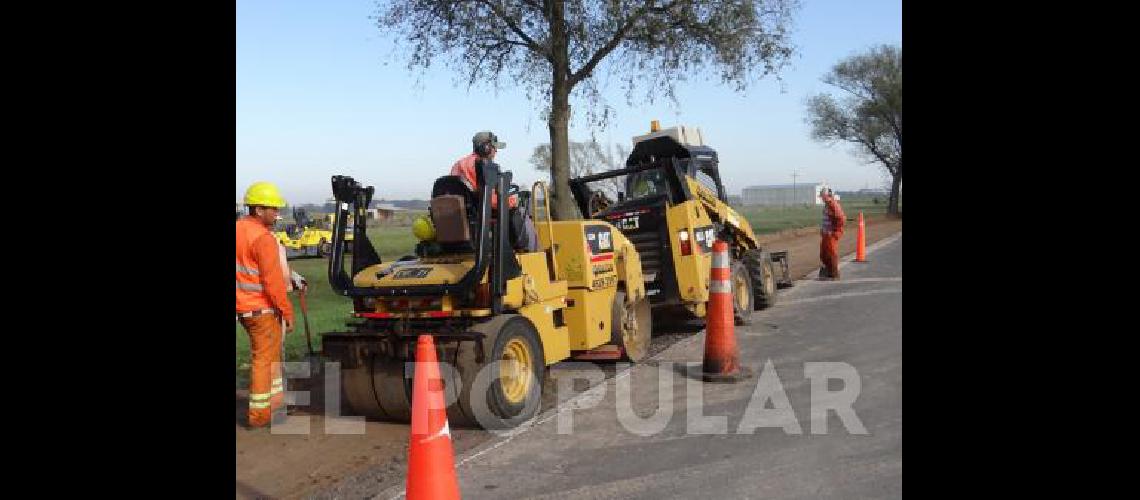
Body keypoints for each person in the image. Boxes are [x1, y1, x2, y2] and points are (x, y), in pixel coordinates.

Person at [236, 181, 306, 428]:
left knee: (270, 358)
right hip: (262, 309)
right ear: (258, 210)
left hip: (243, 309)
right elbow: (273, 283)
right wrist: (287, 312)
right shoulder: (263, 238)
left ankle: (275, 404)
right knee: (264, 361)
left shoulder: (238, 230)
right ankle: (259, 415)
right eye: (273, 209)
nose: (277, 214)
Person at [449, 131, 538, 252]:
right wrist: (513, 201)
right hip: (481, 213)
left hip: (462, 215)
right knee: (522, 210)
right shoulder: (483, 165)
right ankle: (533, 252)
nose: (496, 151)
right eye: (494, 147)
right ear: (485, 147)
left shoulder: (458, 165)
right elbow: (489, 199)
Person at [819, 188, 846, 280]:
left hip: (831, 234)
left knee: (831, 253)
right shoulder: (827, 205)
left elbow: (841, 219)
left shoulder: (833, 205)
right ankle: (828, 272)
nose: (821, 198)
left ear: (827, 196)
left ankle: (835, 274)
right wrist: (823, 230)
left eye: (822, 196)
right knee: (823, 253)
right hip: (826, 233)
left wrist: (835, 231)